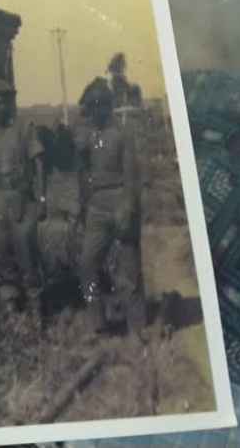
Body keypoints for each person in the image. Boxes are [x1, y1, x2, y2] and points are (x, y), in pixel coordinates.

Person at [75, 78, 145, 336]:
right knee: (87, 264)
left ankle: (136, 328)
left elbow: (131, 177)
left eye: (101, 105)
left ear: (109, 106)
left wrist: (127, 208)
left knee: (129, 267)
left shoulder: (122, 134)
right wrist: (83, 207)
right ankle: (97, 324)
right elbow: (82, 174)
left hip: (120, 201)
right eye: (91, 107)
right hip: (96, 205)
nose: (96, 111)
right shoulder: (87, 136)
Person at [0, 79, 46, 311]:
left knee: (26, 252)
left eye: (2, 102)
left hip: (21, 198)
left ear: (9, 104)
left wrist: (42, 197)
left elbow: (38, 163)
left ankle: (35, 307)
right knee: (0, 251)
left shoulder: (24, 129)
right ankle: (11, 306)